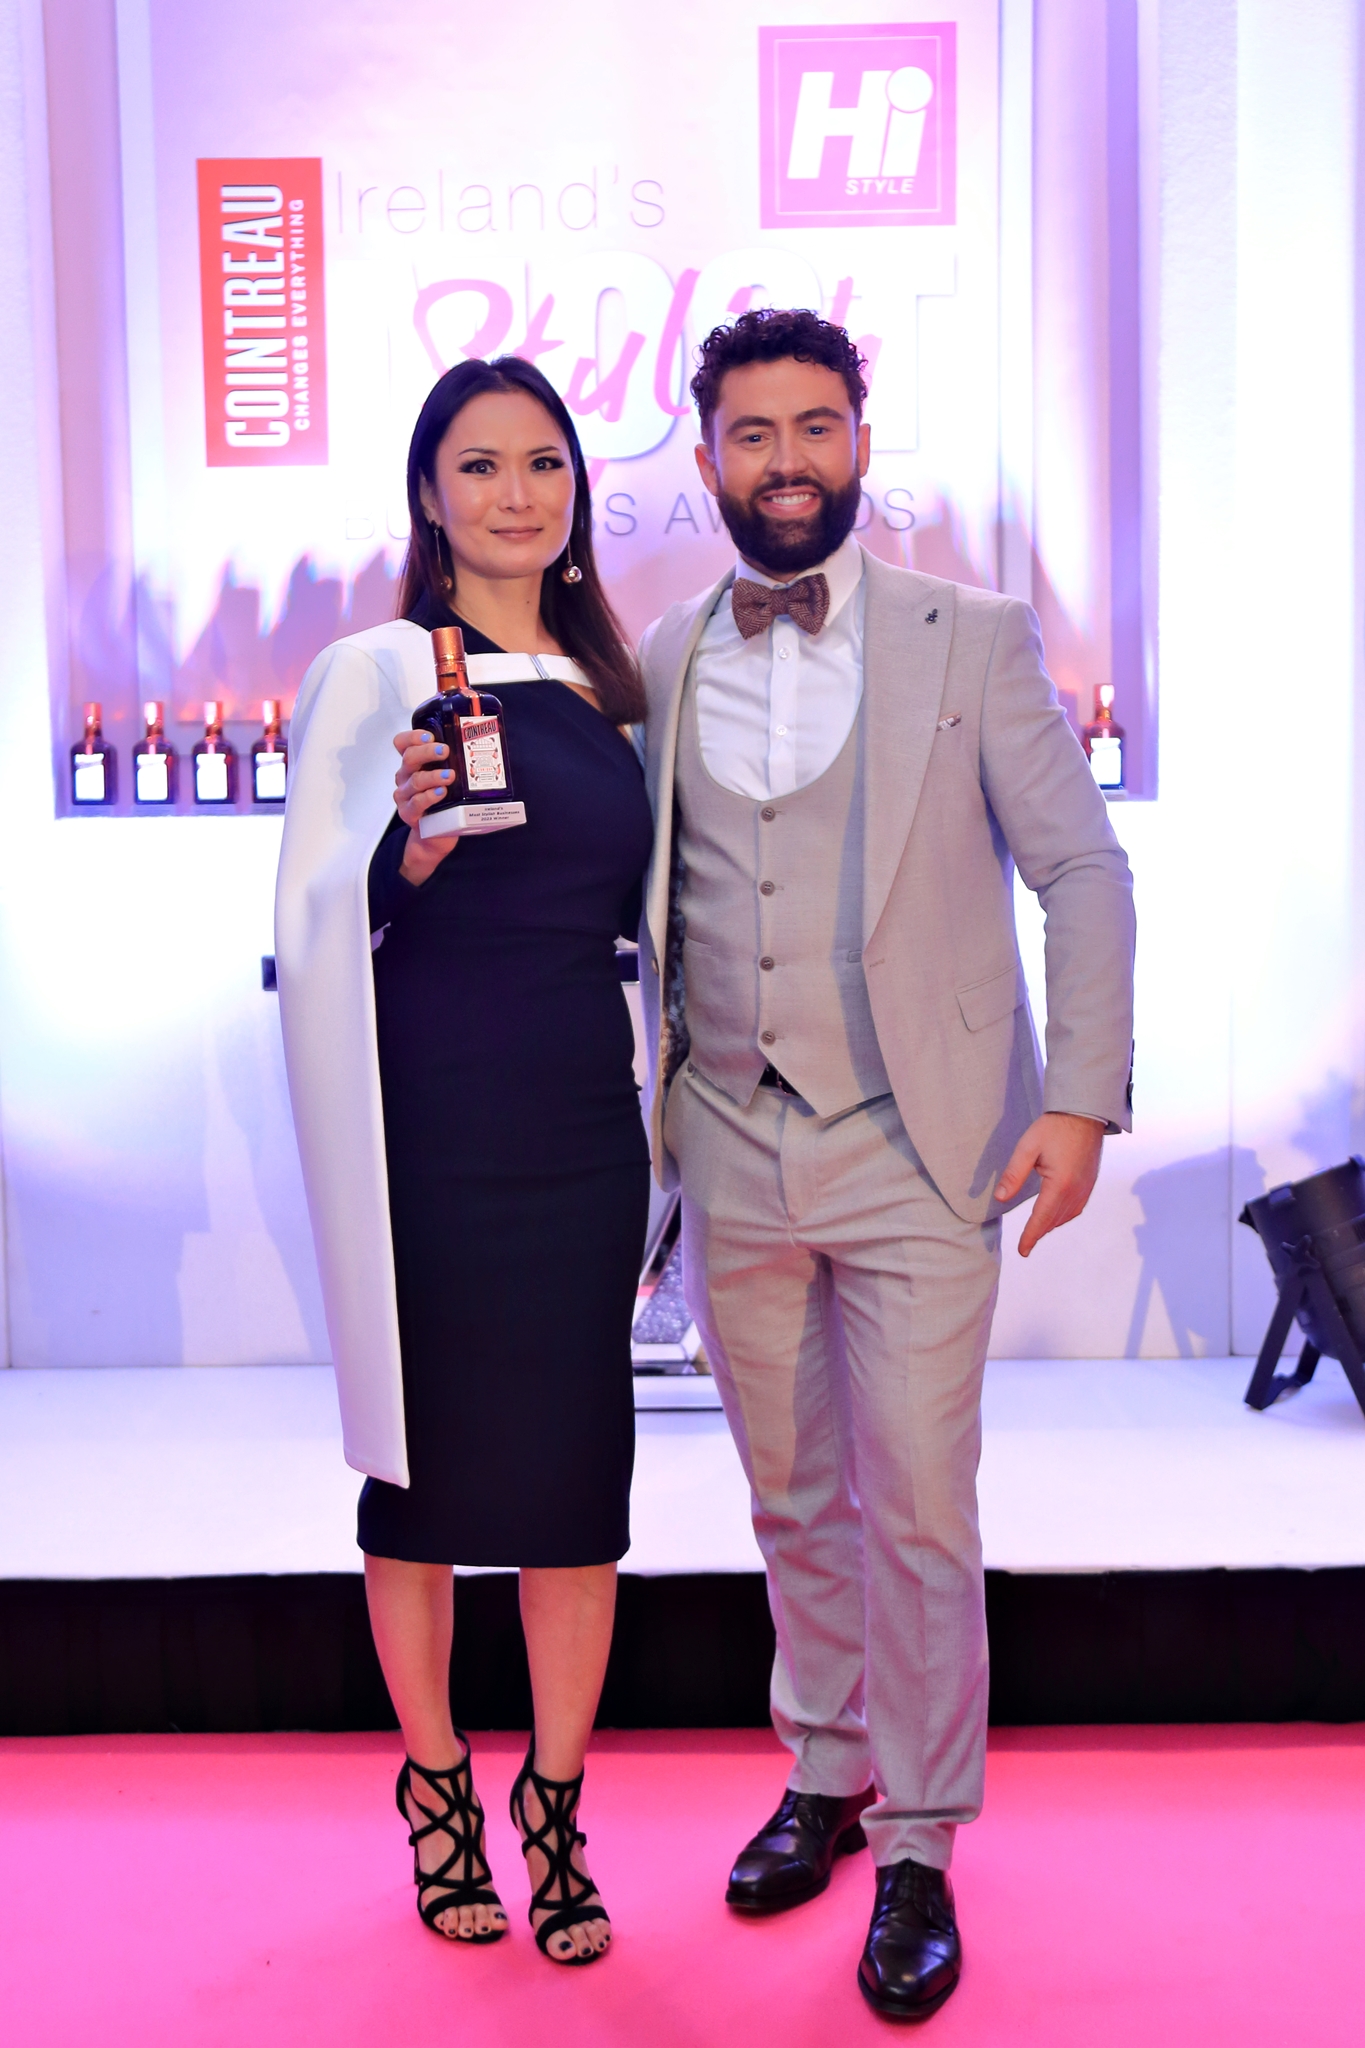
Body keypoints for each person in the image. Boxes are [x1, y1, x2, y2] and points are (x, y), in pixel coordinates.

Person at [636, 309, 1136, 2020]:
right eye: (752, 434)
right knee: (789, 1496)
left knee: (917, 1502)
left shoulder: (968, 636)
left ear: (859, 439)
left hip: (926, 1144)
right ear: (706, 457)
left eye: (813, 428)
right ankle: (827, 1767)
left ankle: (919, 1838)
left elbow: (1080, 870)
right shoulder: (663, 655)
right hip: (729, 1140)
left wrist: (1079, 1100)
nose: (785, 462)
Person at [275, 357, 652, 1966]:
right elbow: (314, 914)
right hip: (427, 1123)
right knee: (419, 1479)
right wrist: (408, 849)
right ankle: (435, 1786)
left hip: (581, 1123)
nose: (516, 493)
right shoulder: (371, 671)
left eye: (543, 462)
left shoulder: (613, 685)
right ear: (429, 496)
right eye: (480, 465)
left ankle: (553, 1809)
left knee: (576, 1487)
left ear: (576, 490)